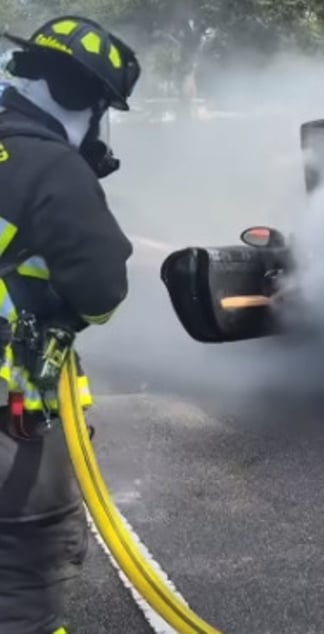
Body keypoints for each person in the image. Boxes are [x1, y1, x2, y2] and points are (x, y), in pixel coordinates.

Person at [0, 15, 140, 634]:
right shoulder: (54, 169)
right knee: (22, 582)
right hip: (13, 424)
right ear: (81, 99)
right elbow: (101, 294)